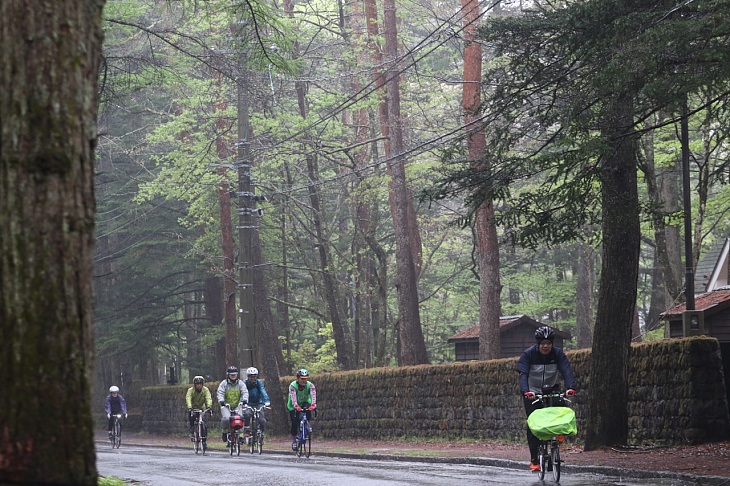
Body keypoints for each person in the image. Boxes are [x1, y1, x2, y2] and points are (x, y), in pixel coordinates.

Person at [517, 326, 577, 472]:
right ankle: (534, 460)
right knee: (533, 425)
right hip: (532, 392)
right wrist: (526, 392)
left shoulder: (558, 354)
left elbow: (566, 370)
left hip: (552, 389)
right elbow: (523, 375)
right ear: (538, 344)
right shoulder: (528, 355)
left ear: (552, 344)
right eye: (542, 343)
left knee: (561, 412)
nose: (545, 346)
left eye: (548, 343)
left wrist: (570, 388)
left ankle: (555, 447)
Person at [287, 368, 317, 450]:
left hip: (305, 402)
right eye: (302, 379)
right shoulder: (293, 386)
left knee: (307, 410)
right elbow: (293, 398)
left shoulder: (310, 385)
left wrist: (313, 405)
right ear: (298, 378)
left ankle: (308, 425)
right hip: (293, 405)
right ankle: (294, 440)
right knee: (294, 422)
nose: (304, 381)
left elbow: (313, 395)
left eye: (306, 379)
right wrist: (296, 407)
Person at [217, 366, 249, 443]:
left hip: (237, 405)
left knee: (240, 418)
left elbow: (245, 392)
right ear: (228, 375)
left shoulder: (241, 383)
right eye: (231, 374)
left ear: (237, 374)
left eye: (234, 374)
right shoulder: (224, 384)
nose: (233, 375)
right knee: (226, 418)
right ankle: (224, 432)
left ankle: (241, 436)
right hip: (226, 405)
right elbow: (220, 393)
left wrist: (245, 400)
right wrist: (221, 401)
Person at [242, 367, 271, 441]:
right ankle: (247, 430)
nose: (252, 378)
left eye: (254, 376)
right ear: (248, 377)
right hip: (248, 403)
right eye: (251, 376)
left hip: (258, 403)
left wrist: (266, 401)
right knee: (247, 414)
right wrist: (243, 402)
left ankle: (262, 433)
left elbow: (263, 391)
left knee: (262, 420)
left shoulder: (259, 382)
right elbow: (242, 393)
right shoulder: (244, 384)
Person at [185, 376, 212, 444]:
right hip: (193, 408)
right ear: (195, 384)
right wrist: (190, 407)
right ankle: (192, 431)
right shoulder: (190, 390)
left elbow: (208, 398)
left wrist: (209, 406)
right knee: (191, 418)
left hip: (201, 408)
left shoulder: (205, 390)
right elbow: (188, 398)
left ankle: (204, 439)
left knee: (204, 423)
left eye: (200, 384)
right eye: (197, 384)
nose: (199, 385)